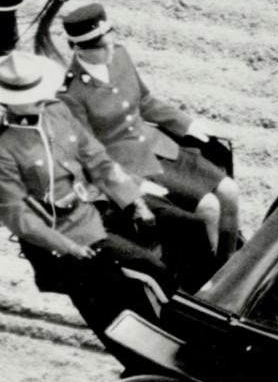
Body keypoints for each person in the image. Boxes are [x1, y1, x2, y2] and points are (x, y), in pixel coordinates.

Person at [54, 3, 239, 271]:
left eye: (110, 41)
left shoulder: (119, 55)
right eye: (100, 48)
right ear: (79, 49)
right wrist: (132, 185)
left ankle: (231, 264)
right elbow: (91, 154)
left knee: (229, 192)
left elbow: (146, 101)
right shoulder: (71, 93)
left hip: (156, 146)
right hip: (129, 168)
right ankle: (213, 282)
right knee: (209, 209)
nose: (109, 51)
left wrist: (187, 124)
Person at [0, 49, 169, 332]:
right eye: (30, 98)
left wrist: (134, 201)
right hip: (62, 239)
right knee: (138, 281)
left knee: (179, 233)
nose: (41, 99)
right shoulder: (5, 148)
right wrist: (69, 248)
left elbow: (99, 160)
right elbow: (19, 218)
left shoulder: (57, 112)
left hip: (93, 210)